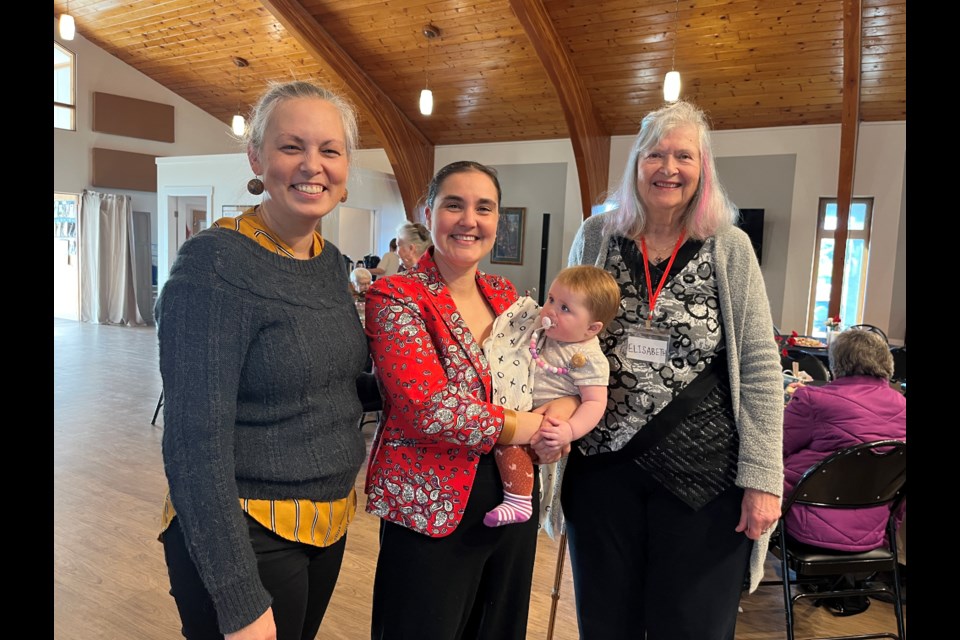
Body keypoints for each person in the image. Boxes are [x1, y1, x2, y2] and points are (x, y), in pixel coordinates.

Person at [155, 81, 370, 640]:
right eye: (291, 146)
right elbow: (192, 444)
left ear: (347, 166)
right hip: (244, 527)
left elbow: (333, 383)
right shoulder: (214, 266)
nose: (312, 166)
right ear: (256, 157)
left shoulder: (331, 264)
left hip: (327, 521)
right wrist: (239, 599)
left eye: (330, 150)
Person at [564, 100, 784, 640]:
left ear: (702, 168)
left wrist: (763, 479)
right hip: (603, 468)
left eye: (683, 155)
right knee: (605, 623)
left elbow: (758, 366)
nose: (668, 167)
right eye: (655, 154)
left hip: (705, 480)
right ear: (636, 164)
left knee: (692, 627)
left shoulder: (729, 247)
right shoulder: (597, 236)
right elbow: (562, 336)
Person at [363, 160, 575, 639]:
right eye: (454, 205)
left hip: (512, 495)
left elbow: (549, 378)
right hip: (429, 503)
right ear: (428, 211)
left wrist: (561, 422)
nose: (469, 220)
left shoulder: (507, 298)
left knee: (498, 628)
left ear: (498, 220)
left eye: (484, 208)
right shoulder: (397, 295)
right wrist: (528, 427)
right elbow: (427, 405)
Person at [482, 265, 620, 528]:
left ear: (591, 328)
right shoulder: (543, 333)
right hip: (524, 404)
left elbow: (595, 402)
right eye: (551, 299)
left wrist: (569, 430)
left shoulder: (588, 358)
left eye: (565, 309)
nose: (550, 311)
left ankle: (519, 500)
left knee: (512, 445)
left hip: (547, 421)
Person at [782, 328, 906, 614]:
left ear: (836, 363)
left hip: (806, 525)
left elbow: (777, 448)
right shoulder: (903, 406)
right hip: (875, 529)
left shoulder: (813, 400)